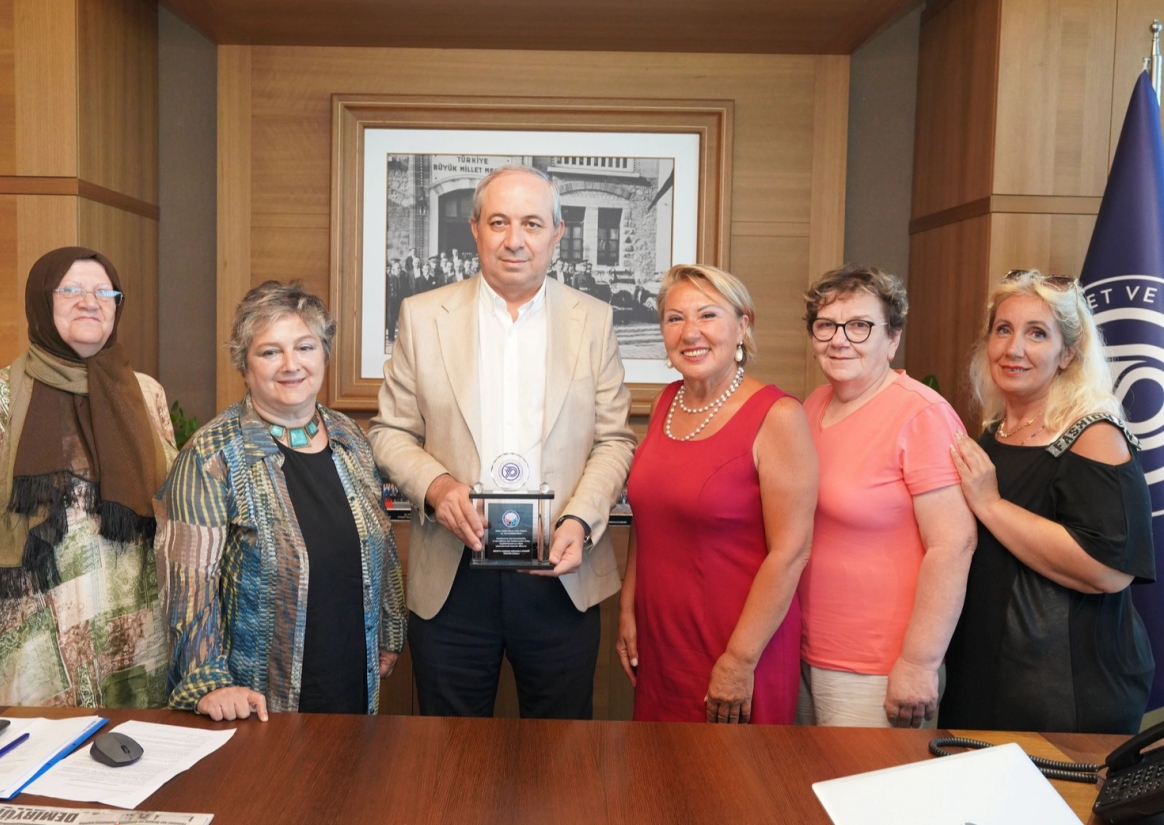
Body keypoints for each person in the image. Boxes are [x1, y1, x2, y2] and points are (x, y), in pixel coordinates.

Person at [370, 164, 635, 718]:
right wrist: (438, 487)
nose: (515, 240)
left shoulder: (593, 320)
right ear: (475, 229)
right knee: (449, 754)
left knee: (562, 752)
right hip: (452, 574)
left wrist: (580, 521)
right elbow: (390, 432)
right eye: (499, 222)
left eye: (532, 224)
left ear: (557, 233)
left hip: (561, 569)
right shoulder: (422, 316)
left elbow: (614, 441)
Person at [0, 247, 176, 706]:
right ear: (40, 301)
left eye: (104, 292)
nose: (90, 302)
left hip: (143, 664)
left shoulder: (146, 395)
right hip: (34, 675)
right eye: (71, 289)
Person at [158, 282, 404, 720]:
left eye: (304, 347)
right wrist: (209, 683)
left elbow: (380, 542)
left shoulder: (350, 437)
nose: (291, 365)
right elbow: (189, 586)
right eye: (270, 352)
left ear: (324, 354)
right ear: (245, 365)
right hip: (256, 702)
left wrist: (389, 629)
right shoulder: (212, 455)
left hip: (352, 678)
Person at [943, 270, 1156, 734]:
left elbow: (1109, 570)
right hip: (985, 667)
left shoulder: (1094, 434)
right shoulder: (996, 429)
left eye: (1037, 333)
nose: (1013, 348)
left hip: (1065, 684)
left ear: (1068, 354)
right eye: (1003, 329)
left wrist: (991, 505)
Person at [618, 265, 817, 723]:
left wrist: (740, 660)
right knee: (661, 765)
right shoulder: (666, 402)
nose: (690, 332)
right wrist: (628, 608)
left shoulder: (779, 416)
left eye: (708, 315)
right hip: (662, 639)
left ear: (742, 325)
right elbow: (649, 522)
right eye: (674, 318)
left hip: (740, 643)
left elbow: (791, 552)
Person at [796, 266, 976, 728]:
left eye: (859, 326)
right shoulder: (812, 405)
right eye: (826, 325)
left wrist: (918, 663)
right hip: (805, 650)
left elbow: (954, 544)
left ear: (892, 338)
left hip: (879, 665)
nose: (840, 340)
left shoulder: (922, 414)